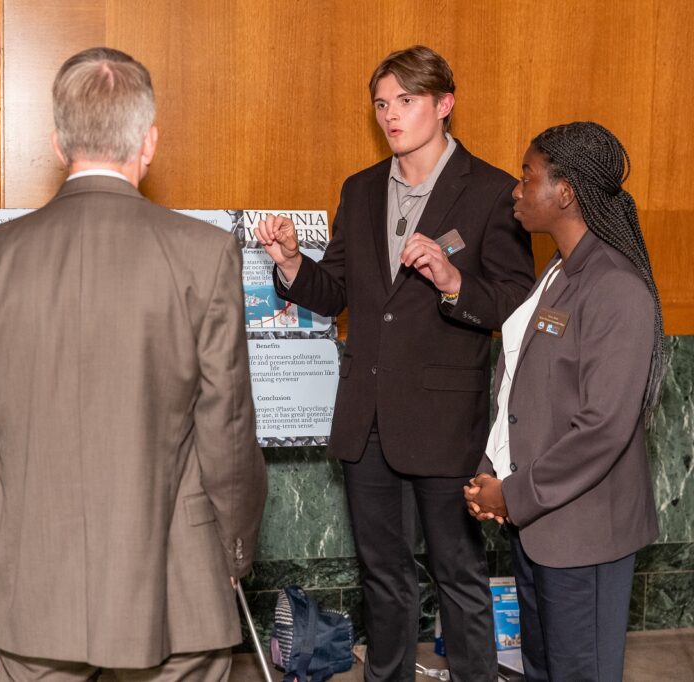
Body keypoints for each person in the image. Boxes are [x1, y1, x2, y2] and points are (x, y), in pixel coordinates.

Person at [0, 47, 267, 681]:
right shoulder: (204, 254)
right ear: (148, 142)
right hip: (177, 576)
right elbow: (226, 428)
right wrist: (235, 544)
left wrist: (7, 528)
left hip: (33, 573)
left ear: (61, 142)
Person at [254, 45, 534, 681]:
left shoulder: (493, 192)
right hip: (366, 418)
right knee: (382, 579)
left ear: (444, 105)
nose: (391, 115)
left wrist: (453, 281)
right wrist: (294, 265)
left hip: (444, 421)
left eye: (405, 101)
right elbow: (340, 291)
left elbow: (516, 302)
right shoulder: (358, 189)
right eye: (382, 103)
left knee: (458, 576)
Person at [465, 122, 664, 681]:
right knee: (544, 670)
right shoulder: (556, 272)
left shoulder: (615, 287)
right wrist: (492, 473)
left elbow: (601, 428)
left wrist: (513, 494)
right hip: (539, 525)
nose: (516, 189)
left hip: (585, 534)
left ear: (566, 192)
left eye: (527, 177)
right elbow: (519, 385)